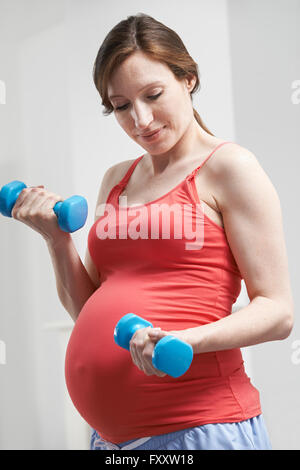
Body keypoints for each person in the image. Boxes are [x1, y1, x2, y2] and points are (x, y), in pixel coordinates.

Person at [12, 13, 293, 450]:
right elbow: (88, 311)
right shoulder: (117, 179)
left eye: (153, 94)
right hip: (111, 441)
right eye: (121, 106)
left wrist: (187, 340)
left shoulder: (229, 168)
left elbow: (278, 312)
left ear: (189, 79)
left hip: (199, 429)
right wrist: (56, 238)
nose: (141, 119)